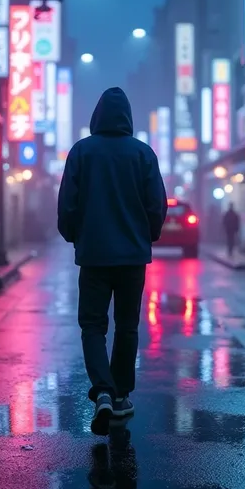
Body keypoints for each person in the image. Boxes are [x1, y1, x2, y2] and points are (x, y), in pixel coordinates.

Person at [57, 87, 167, 436]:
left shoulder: (82, 152)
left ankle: (102, 390)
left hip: (93, 256)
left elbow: (67, 206)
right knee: (127, 326)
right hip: (133, 257)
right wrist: (145, 235)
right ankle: (120, 395)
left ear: (97, 116)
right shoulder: (143, 154)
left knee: (92, 325)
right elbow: (157, 206)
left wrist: (77, 236)